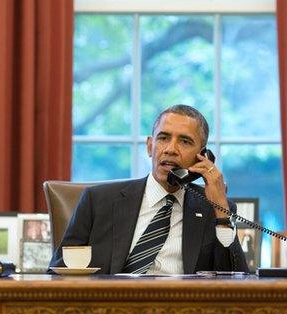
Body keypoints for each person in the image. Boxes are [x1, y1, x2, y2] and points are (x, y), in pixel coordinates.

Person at [49, 104, 248, 274]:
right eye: (163, 138)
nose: (170, 149)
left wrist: (221, 210)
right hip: (109, 310)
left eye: (185, 141)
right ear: (149, 146)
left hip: (182, 312)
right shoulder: (98, 201)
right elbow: (57, 273)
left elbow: (235, 280)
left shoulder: (211, 209)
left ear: (202, 156)